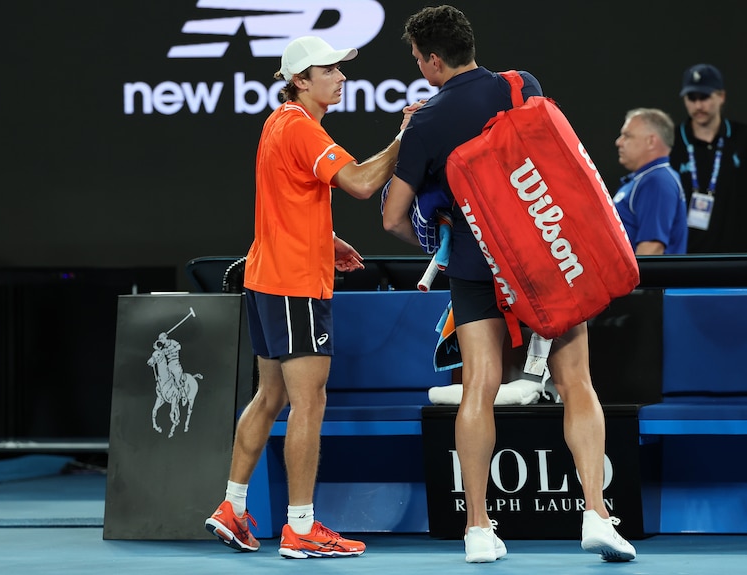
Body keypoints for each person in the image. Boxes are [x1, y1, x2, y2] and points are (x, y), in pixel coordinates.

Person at [382, 5, 636, 564]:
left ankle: (477, 529)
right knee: (578, 384)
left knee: (479, 389)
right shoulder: (523, 85)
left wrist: (438, 243)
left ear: (430, 61)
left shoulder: (425, 121)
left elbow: (392, 217)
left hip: (476, 269)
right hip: (549, 259)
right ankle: (596, 513)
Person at [204, 35, 408, 559]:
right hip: (295, 285)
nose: (341, 77)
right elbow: (362, 183)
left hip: (267, 277)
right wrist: (407, 136)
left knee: (270, 396)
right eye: (330, 70)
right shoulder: (300, 129)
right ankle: (300, 526)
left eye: (341, 69)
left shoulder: (279, 123)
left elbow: (285, 196)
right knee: (307, 403)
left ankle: (231, 506)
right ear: (301, 81)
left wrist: (326, 237)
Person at [669, 63, 747, 253]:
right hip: (685, 260)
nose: (698, 105)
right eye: (691, 98)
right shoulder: (672, 140)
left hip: (738, 259)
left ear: (721, 96)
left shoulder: (744, 138)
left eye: (704, 97)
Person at [614, 108, 688, 255]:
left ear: (651, 141)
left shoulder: (657, 181)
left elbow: (652, 249)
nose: (619, 142)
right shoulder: (645, 179)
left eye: (627, 136)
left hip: (649, 279)